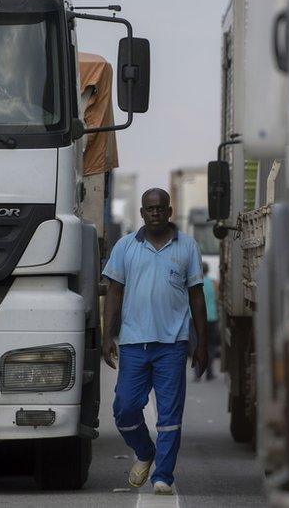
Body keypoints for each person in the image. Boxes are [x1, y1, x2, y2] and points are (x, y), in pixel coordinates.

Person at [102, 188, 209, 495]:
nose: (156, 214)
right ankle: (145, 452)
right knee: (124, 408)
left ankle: (163, 475)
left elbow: (196, 297)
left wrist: (201, 343)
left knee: (169, 415)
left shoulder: (187, 247)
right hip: (134, 343)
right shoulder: (125, 247)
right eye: (150, 209)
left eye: (161, 208)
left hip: (172, 344)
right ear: (142, 213)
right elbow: (114, 292)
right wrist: (108, 334)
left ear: (170, 211)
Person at [190, 262, 220, 381]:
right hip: (211, 318)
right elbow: (218, 298)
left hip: (195, 319)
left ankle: (197, 373)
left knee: (196, 344)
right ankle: (209, 373)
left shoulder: (192, 282)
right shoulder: (213, 284)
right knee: (211, 346)